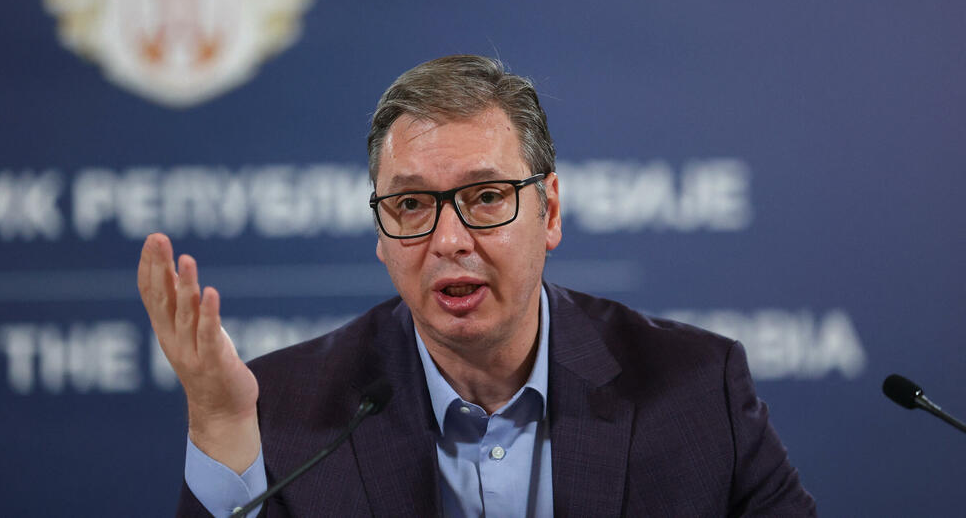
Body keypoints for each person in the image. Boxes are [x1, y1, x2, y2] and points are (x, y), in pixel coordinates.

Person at [139, 55, 817, 517]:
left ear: (550, 211)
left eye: (486, 196)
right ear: (380, 235)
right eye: (411, 205)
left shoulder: (695, 390)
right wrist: (221, 427)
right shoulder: (288, 412)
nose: (449, 240)